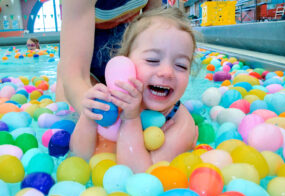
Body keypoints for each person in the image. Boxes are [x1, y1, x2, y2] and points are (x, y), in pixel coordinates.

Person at [70, 7, 199, 173]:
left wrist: (131, 119)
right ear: (126, 62)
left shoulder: (181, 125)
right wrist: (88, 118)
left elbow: (140, 175)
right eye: (152, 60)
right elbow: (79, 156)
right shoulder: (111, 99)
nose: (167, 72)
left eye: (181, 65)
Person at [56, 0, 161, 114]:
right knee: (67, 112)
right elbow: (75, 74)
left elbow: (153, 37)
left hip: (126, 41)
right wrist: (100, 119)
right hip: (84, 46)